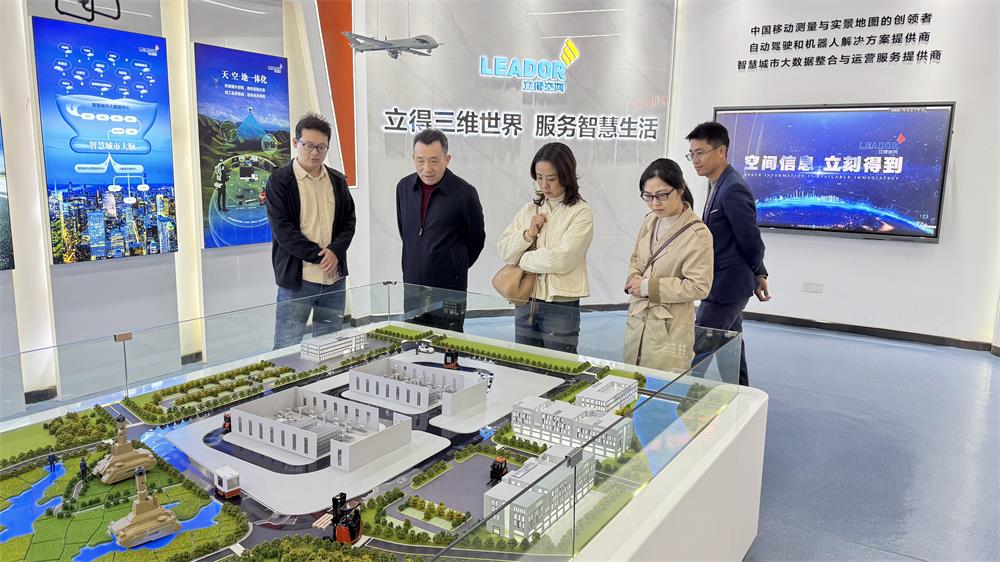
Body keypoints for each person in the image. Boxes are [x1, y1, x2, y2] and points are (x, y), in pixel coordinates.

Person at [686, 121, 770, 386]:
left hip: (727, 288)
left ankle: (681, 401)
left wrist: (759, 272)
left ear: (721, 151)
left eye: (700, 153)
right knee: (730, 349)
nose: (695, 160)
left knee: (697, 350)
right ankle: (742, 396)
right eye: (692, 154)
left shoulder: (733, 188)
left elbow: (750, 238)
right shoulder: (718, 184)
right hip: (723, 284)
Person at [266, 113, 356, 349]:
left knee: (328, 345)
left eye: (321, 147)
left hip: (334, 278)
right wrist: (321, 256)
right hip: (298, 279)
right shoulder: (279, 181)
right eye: (308, 145)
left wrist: (335, 251)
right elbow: (283, 230)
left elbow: (349, 222)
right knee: (286, 346)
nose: (315, 152)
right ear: (296, 143)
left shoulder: (337, 181)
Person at [498, 142, 593, 354]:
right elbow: (504, 250)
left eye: (551, 178)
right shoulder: (530, 209)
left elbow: (562, 259)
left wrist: (523, 259)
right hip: (525, 299)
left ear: (566, 176)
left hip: (560, 305)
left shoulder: (581, 212)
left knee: (560, 368)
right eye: (539, 178)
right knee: (524, 365)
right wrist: (527, 235)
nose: (544, 185)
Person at [623, 159, 714, 372]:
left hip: (670, 326)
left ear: (680, 189)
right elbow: (636, 258)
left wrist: (647, 287)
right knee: (630, 378)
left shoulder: (697, 233)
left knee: (661, 384)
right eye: (648, 196)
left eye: (662, 195)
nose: (655, 203)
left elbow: (699, 286)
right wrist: (633, 280)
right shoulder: (650, 220)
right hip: (638, 317)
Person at [396, 129, 485, 332]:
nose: (426, 168)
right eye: (420, 161)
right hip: (412, 286)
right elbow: (406, 232)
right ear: (413, 159)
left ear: (447, 159)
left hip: (449, 290)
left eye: (434, 161)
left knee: (448, 345)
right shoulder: (403, 187)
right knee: (413, 344)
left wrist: (453, 267)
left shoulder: (465, 193)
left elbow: (476, 240)